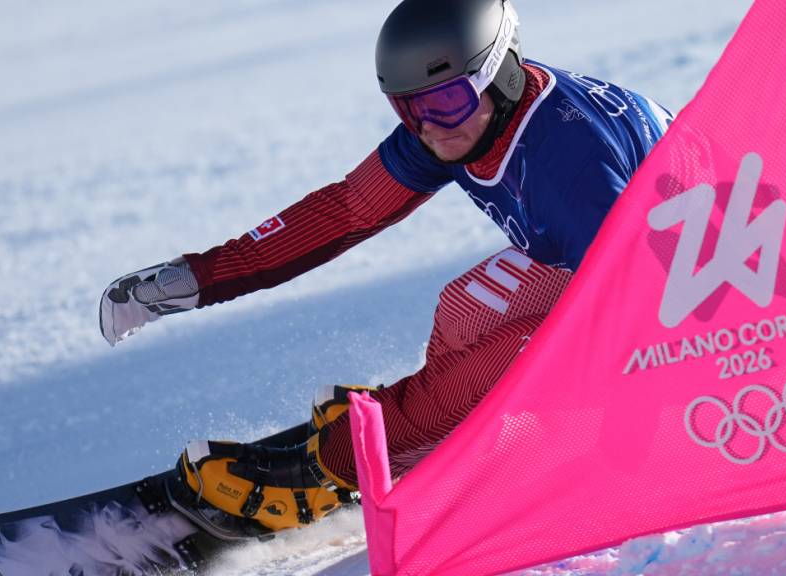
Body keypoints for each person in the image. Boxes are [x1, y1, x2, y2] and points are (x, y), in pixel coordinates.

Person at [99, 0, 672, 534]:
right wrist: (199, 277)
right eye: (409, 108)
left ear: (500, 73)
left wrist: (624, 468)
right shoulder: (475, 119)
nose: (430, 127)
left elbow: (636, 324)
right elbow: (348, 210)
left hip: (696, 315)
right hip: (630, 266)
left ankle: (338, 468)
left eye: (445, 102)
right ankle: (433, 434)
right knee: (468, 311)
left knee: (515, 356)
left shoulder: (572, 171)